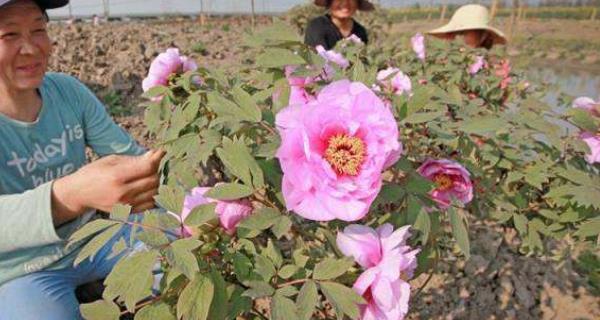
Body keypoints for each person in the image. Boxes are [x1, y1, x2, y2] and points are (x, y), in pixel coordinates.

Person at [0, 0, 164, 318]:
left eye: (38, 30)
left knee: (178, 248)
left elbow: (129, 157)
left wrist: (191, 204)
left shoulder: (68, 92)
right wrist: (71, 195)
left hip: (94, 238)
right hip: (22, 269)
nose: (31, 48)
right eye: (9, 35)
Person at [427, 4, 507, 50]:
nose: (456, 38)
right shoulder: (446, 63)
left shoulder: (489, 70)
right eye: (453, 33)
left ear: (483, 35)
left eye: (463, 33)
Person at [304, 0, 373, 50]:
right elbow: (318, 60)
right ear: (330, 2)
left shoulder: (360, 31)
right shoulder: (317, 26)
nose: (346, 3)